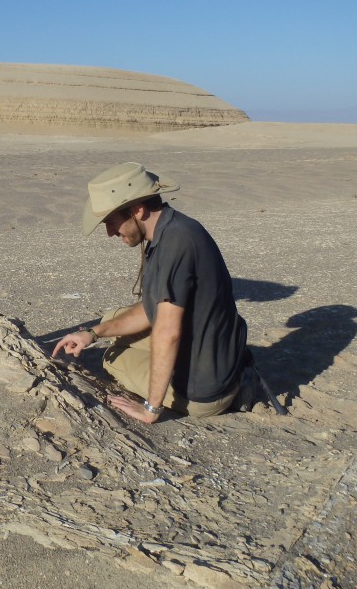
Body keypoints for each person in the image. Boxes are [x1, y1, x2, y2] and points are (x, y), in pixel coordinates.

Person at [52, 162, 248, 423]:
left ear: (137, 209)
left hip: (203, 390)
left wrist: (150, 409)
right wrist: (91, 334)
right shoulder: (173, 229)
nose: (110, 233)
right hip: (216, 353)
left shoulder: (175, 245)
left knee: (113, 357)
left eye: (111, 222)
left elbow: (168, 332)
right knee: (111, 320)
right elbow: (150, 308)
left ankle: (225, 394)